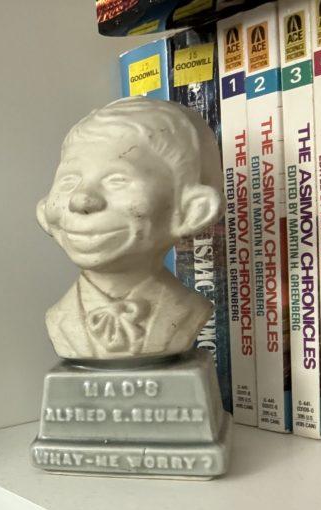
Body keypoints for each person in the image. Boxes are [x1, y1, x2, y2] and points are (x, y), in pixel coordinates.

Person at [36, 97, 223, 360]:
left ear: (193, 210)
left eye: (117, 180)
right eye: (69, 180)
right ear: (44, 212)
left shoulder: (190, 311)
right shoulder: (59, 318)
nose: (81, 200)